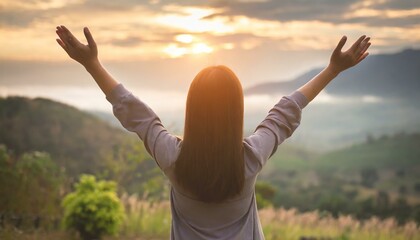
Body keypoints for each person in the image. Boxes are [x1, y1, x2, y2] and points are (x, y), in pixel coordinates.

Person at [56, 25, 371, 239]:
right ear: (237, 113)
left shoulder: (173, 158)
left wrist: (92, 63)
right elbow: (284, 113)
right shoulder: (249, 159)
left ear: (192, 109)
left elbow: (136, 114)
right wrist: (333, 70)